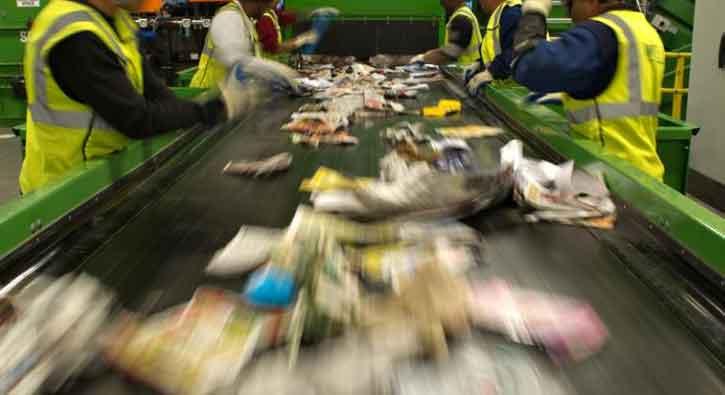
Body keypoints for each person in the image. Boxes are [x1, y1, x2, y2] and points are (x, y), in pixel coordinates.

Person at [19, 0, 252, 194]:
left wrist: (206, 109)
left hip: (103, 178)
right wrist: (213, 109)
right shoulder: (75, 34)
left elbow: (157, 94)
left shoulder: (118, 22)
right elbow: (136, 118)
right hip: (60, 191)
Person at [511, 0, 665, 180]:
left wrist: (534, 13)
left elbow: (529, 66)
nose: (571, 15)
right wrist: (576, 92)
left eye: (571, 5)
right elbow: (620, 82)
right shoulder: (644, 30)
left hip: (610, 175)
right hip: (646, 174)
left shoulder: (601, 32)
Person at [190, 0, 299, 90]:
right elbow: (239, 63)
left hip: (225, 94)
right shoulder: (229, 17)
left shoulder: (245, 19)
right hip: (208, 94)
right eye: (266, 4)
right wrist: (281, 73)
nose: (268, 9)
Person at [464, 0, 523, 94]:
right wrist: (480, 63)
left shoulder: (514, 15)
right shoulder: (500, 15)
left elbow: (517, 50)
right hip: (509, 90)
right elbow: (496, 48)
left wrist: (492, 72)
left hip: (523, 92)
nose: (480, 2)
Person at [410, 0, 483, 66]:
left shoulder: (461, 19)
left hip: (467, 71)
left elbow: (451, 52)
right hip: (467, 70)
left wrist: (423, 58)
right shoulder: (465, 14)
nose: (441, 3)